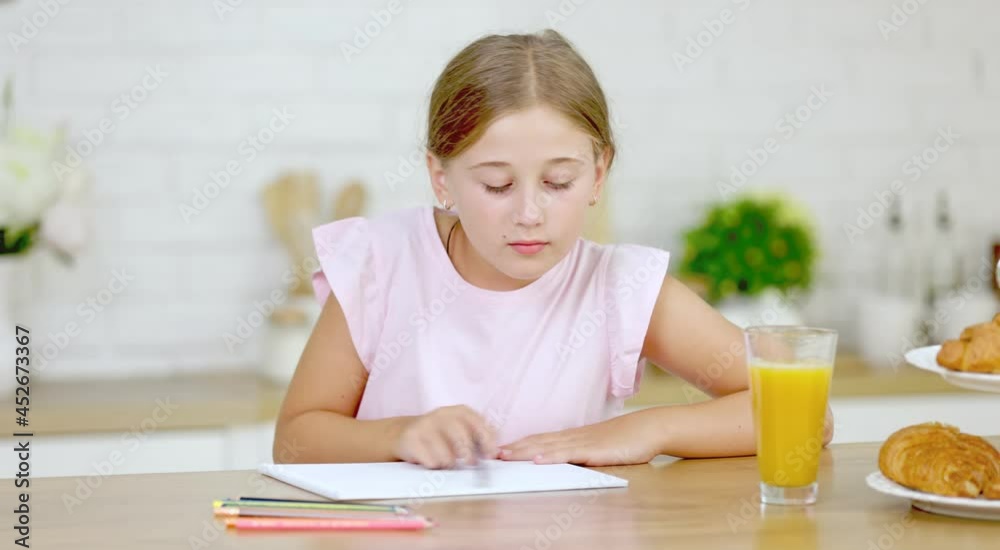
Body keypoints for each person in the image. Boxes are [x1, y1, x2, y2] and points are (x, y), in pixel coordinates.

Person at [273, 29, 833, 469]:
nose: (528, 213)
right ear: (440, 178)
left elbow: (806, 413)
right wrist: (398, 436)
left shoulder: (622, 287)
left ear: (598, 173)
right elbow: (295, 439)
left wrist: (648, 429)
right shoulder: (382, 263)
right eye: (496, 185)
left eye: (558, 181)